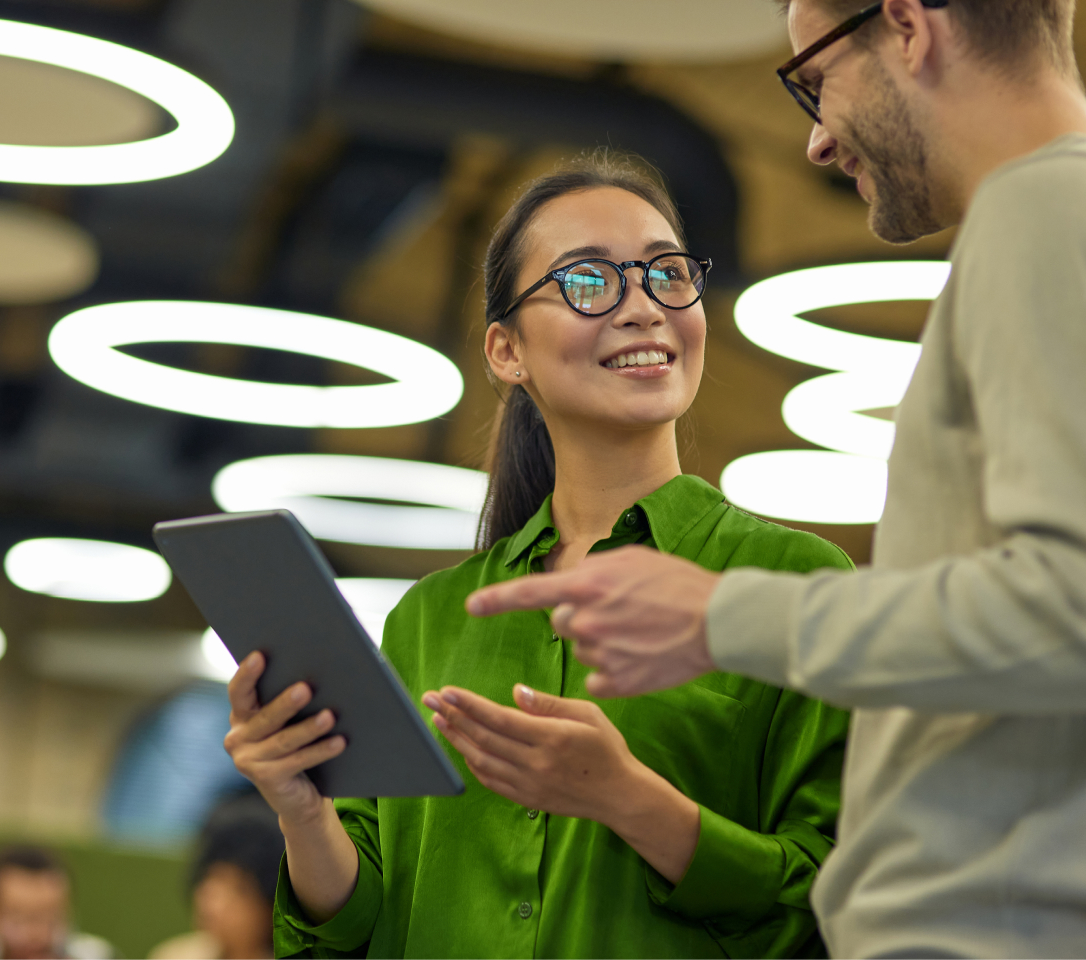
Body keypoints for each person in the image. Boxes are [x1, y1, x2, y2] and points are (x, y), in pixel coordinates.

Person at [463, 2, 1086, 957]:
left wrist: (722, 619)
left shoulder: (1045, 211)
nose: (814, 139)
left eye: (815, 77)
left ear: (905, 24)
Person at [223, 154, 855, 958]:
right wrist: (299, 807)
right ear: (505, 351)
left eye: (666, 274)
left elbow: (833, 908)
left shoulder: (795, 586)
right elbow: (354, 925)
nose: (643, 308)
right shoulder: (430, 618)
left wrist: (630, 800)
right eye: (590, 282)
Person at [149, 793, 284, 960]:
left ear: (271, 907)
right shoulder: (173, 956)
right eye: (210, 878)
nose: (214, 901)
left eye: (240, 889)